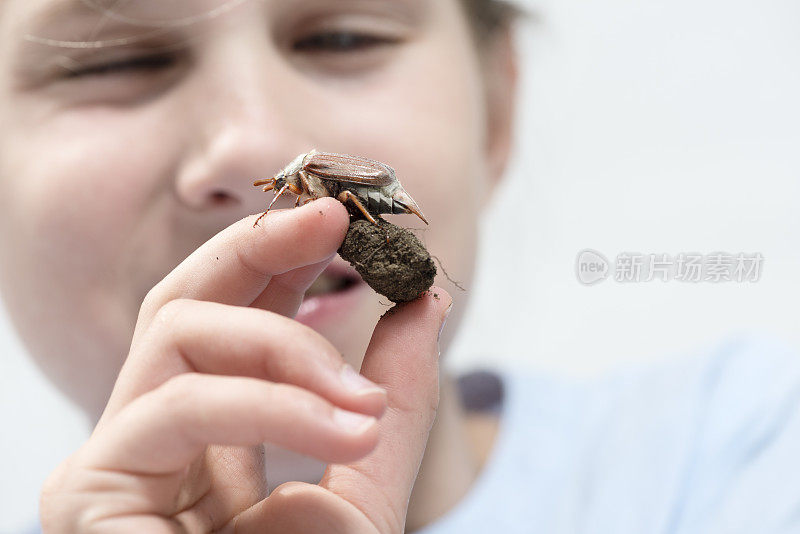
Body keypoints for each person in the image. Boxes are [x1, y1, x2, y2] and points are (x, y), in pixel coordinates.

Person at [3, 1, 800, 533]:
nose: (250, 134)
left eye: (341, 37)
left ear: (500, 107)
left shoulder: (745, 450)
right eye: (107, 62)